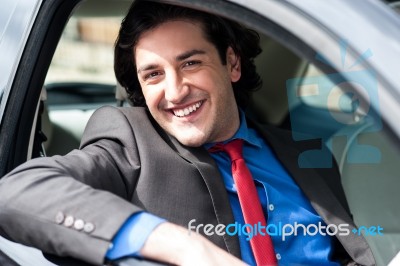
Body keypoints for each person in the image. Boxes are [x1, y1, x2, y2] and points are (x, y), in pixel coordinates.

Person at [0, 0, 374, 265]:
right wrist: (184, 248)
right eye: (153, 74)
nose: (175, 91)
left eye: (190, 63)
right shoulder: (129, 140)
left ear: (231, 63)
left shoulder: (305, 152)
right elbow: (15, 193)